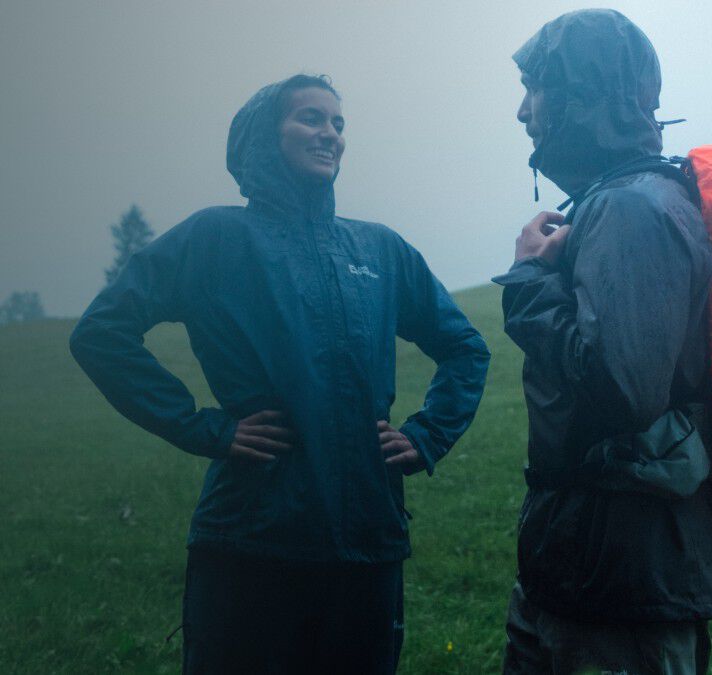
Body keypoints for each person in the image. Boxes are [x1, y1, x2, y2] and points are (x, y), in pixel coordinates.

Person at [69, 73, 490, 674]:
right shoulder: (216, 238)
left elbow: (465, 347)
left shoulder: (379, 250)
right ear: (266, 136)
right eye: (310, 118)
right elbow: (101, 332)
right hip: (251, 540)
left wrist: (427, 434)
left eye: (338, 123)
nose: (330, 134)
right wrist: (204, 428)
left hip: (368, 541)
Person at [493, 10, 712, 675]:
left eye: (535, 88)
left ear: (582, 92)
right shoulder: (620, 200)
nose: (522, 111)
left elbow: (622, 389)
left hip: (621, 592)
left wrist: (528, 283)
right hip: (592, 569)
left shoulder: (632, 208)